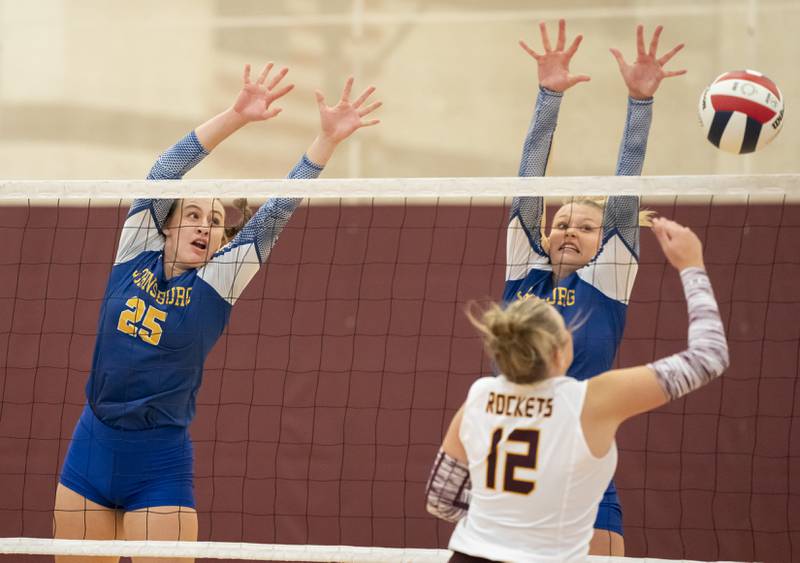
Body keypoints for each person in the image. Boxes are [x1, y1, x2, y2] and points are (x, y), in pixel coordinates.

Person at [52, 63, 381, 563]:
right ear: (167, 225)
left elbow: (277, 213)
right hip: (91, 444)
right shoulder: (136, 247)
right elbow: (165, 170)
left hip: (157, 462)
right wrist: (236, 115)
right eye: (193, 215)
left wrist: (325, 142)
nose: (205, 226)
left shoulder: (216, 282)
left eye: (216, 222)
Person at [426, 217, 729, 562]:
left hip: (471, 554)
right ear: (560, 350)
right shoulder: (591, 401)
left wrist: (502, 519)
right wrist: (692, 264)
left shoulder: (480, 397)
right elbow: (709, 357)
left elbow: (440, 500)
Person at [507, 20, 685, 554]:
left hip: (584, 455)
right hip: (516, 455)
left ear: (602, 242)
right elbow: (526, 183)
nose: (569, 231)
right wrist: (547, 99)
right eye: (561, 222)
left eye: (586, 227)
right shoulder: (524, 269)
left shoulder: (608, 277)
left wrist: (639, 104)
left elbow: (625, 192)